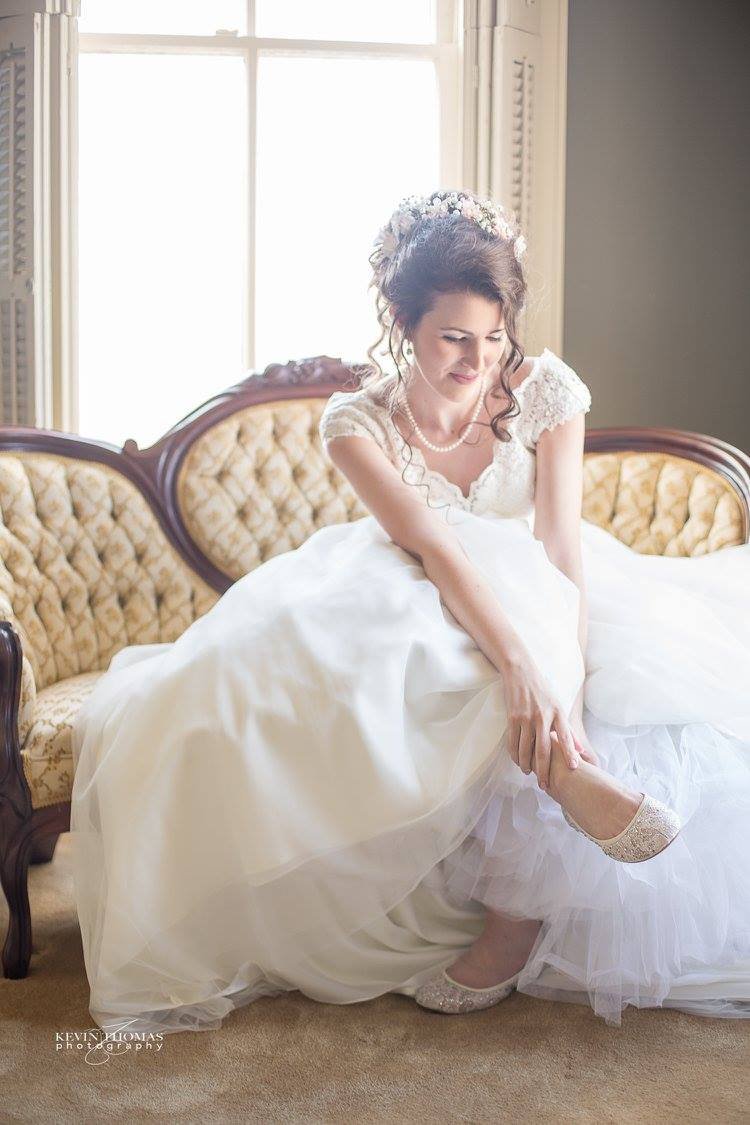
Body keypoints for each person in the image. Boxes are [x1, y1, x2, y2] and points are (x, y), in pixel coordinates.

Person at [70, 189, 750, 1037]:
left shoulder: (547, 393)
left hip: (540, 579)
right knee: (233, 687)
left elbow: (560, 548)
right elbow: (435, 548)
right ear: (402, 320)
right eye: (453, 338)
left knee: (550, 611)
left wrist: (559, 687)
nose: (478, 361)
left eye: (495, 336)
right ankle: (563, 787)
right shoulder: (356, 421)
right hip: (411, 584)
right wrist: (516, 666)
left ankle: (526, 881)